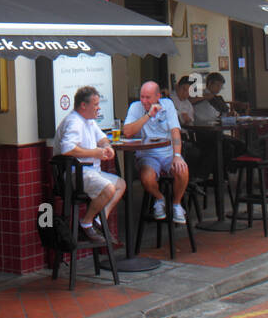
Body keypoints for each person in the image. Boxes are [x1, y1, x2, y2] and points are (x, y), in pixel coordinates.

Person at [54, 86, 124, 243]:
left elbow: (103, 138)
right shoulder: (74, 122)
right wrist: (95, 153)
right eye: (95, 104)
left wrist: (107, 146)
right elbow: (67, 149)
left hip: (91, 172)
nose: (98, 108)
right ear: (83, 105)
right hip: (75, 174)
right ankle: (85, 223)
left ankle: (99, 221)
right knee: (109, 189)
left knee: (121, 184)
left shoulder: (89, 121)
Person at [122, 80, 188, 224]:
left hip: (168, 153)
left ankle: (176, 204)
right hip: (147, 154)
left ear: (158, 96)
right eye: (142, 97)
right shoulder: (136, 107)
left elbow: (175, 132)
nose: (144, 101)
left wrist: (177, 156)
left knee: (182, 170)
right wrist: (148, 115)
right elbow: (127, 132)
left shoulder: (168, 105)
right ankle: (160, 198)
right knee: (146, 177)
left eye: (148, 97)